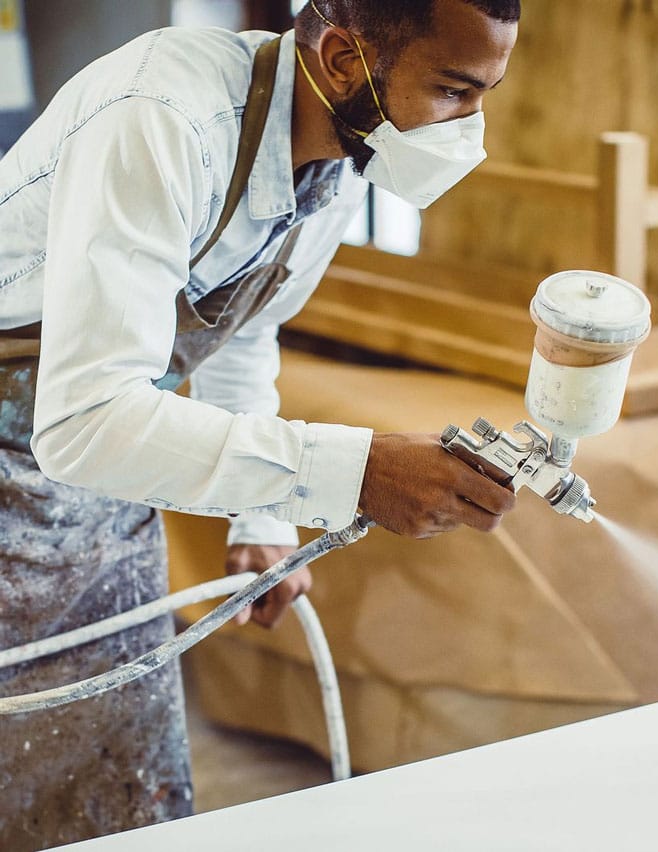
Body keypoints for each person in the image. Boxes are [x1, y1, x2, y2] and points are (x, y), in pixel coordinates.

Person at [0, 0, 519, 847]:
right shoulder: (164, 118)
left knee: (116, 785)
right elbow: (86, 419)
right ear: (347, 60)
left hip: (90, 479)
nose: (472, 126)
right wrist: (355, 471)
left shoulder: (343, 161)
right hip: (55, 432)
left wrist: (263, 517)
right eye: (456, 92)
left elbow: (240, 335)